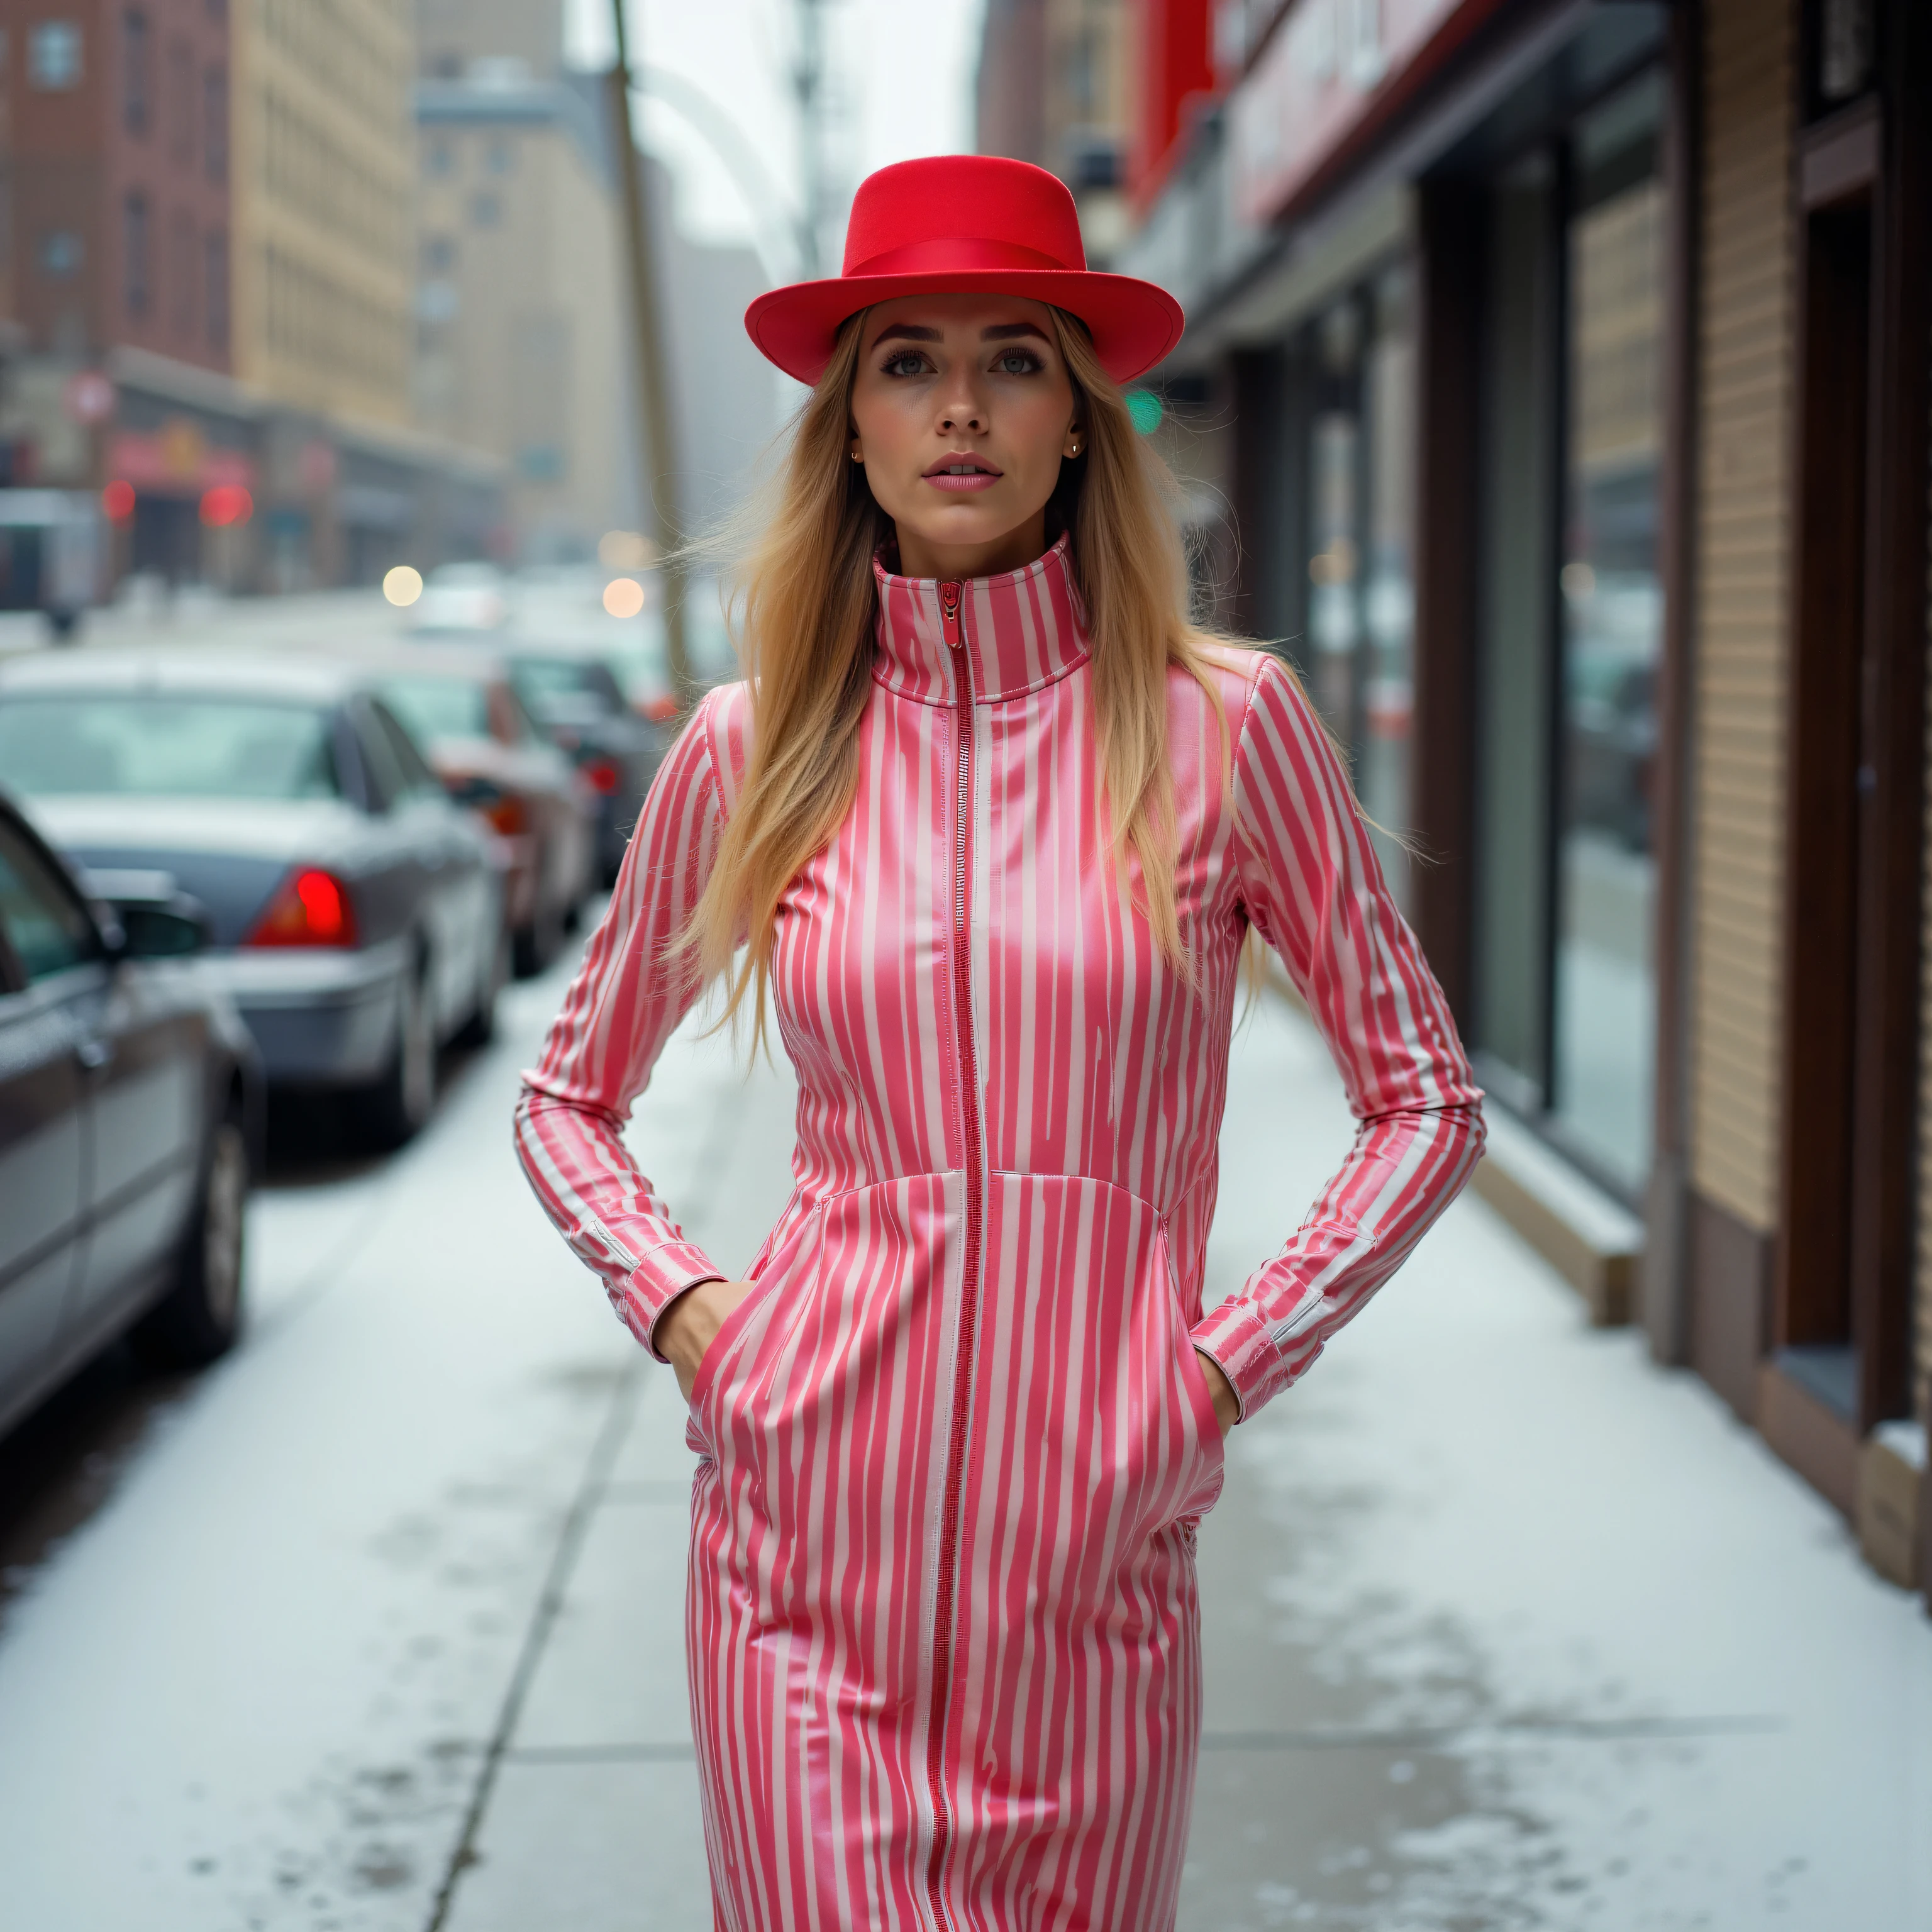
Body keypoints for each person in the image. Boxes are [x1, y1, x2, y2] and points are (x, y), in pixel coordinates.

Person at [515, 155, 1483, 1932]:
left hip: (1095, 1584)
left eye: (1015, 357)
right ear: (852, 432)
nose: (959, 404)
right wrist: (699, 1317)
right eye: (906, 361)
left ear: (1076, 426)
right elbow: (567, 1100)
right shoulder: (751, 749)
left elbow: (1423, 1103)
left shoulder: (1227, 729)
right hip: (802, 1561)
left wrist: (1216, 1371)